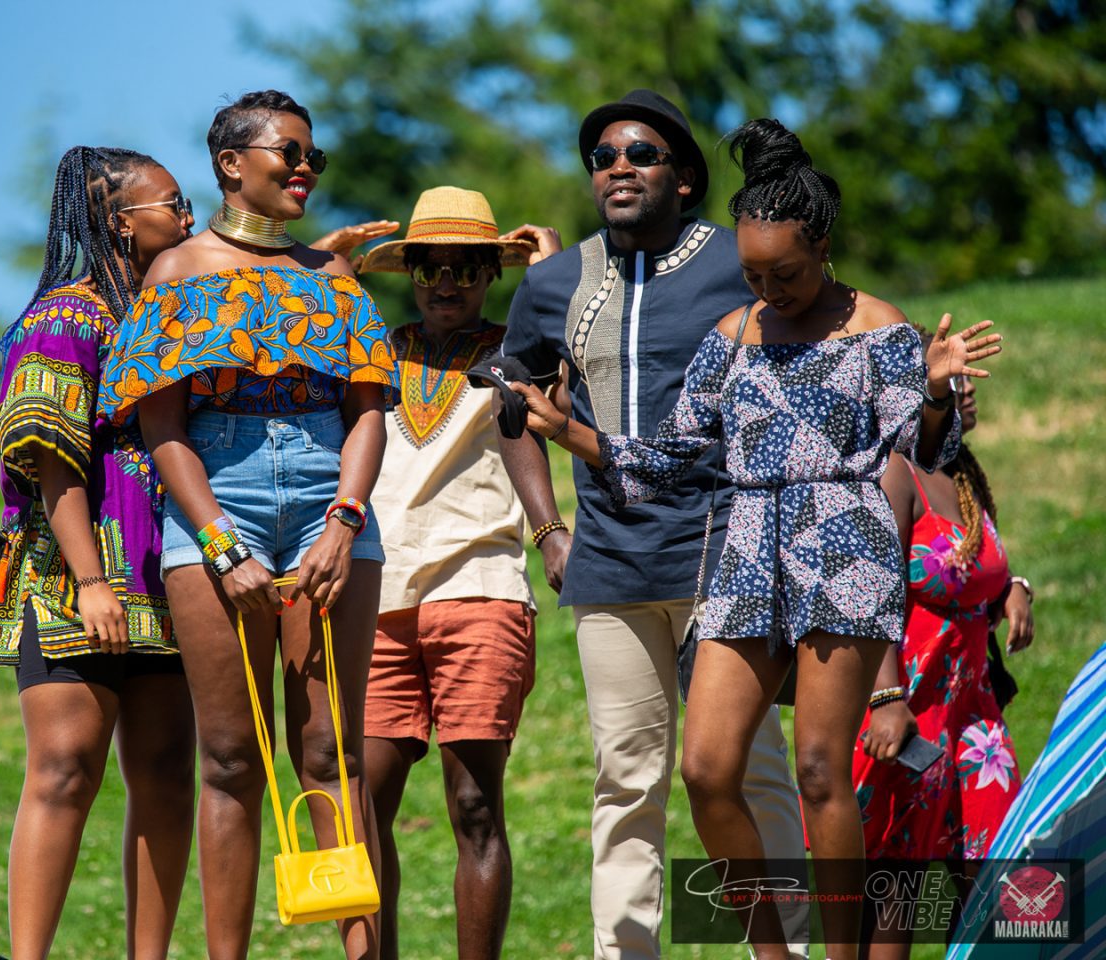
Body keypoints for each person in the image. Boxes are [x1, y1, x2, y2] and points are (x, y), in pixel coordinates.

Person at [510, 118, 1003, 960]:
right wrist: (571, 436)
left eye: (787, 272)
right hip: (744, 553)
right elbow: (672, 454)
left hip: (843, 554)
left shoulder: (878, 327)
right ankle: (772, 952)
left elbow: (925, 456)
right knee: (707, 770)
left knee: (817, 768)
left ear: (823, 249)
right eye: (751, 273)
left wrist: (932, 392)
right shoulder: (733, 335)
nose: (769, 289)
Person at [499, 89, 809, 959]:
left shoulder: (732, 264)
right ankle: (623, 952)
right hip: (608, 565)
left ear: (683, 180)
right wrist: (548, 529)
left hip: (727, 555)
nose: (618, 167)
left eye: (640, 153)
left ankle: (784, 947)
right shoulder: (555, 282)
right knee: (625, 780)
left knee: (751, 769)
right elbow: (513, 406)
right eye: (602, 157)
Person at [95, 90, 395, 960]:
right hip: (213, 497)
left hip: (326, 489)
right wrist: (220, 541)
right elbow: (162, 427)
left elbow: (368, 410)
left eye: (313, 158)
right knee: (229, 757)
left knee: (330, 750)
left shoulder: (330, 275)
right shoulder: (180, 272)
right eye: (288, 153)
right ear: (232, 164)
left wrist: (345, 520)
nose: (305, 169)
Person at [0, 146, 196, 960]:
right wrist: (92, 581)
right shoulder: (66, 317)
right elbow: (49, 455)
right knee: (66, 768)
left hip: (170, 573)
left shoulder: (167, 310)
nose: (185, 219)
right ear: (118, 220)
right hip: (79, 576)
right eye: (170, 205)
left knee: (169, 770)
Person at [353, 185, 562, 960]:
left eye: (467, 270)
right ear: (409, 273)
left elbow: (580, 398)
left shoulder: (521, 354)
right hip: (376, 599)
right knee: (364, 808)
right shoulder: (373, 352)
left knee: (476, 807)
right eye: (430, 269)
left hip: (483, 593)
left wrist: (553, 279)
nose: (447, 284)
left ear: (491, 276)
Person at [855, 365, 1032, 958]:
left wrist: (1013, 587)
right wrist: (885, 697)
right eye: (954, 384)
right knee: (894, 902)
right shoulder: (893, 475)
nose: (969, 393)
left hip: (975, 720)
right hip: (907, 714)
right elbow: (866, 596)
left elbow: (976, 566)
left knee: (1014, 887)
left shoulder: (961, 474)